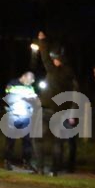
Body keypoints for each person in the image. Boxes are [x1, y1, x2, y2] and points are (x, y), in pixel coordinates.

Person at [33, 31, 80, 176]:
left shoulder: (54, 72)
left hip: (48, 111)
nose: (53, 61)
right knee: (57, 143)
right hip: (62, 113)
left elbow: (45, 58)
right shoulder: (70, 75)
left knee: (37, 139)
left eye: (55, 59)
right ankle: (54, 170)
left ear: (59, 60)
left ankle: (40, 168)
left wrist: (42, 41)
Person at [2, 71, 37, 169]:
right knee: (10, 140)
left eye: (32, 82)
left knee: (27, 141)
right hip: (13, 115)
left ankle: (27, 162)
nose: (30, 83)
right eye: (30, 81)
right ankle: (7, 161)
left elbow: (33, 98)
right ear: (24, 77)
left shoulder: (30, 87)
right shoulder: (12, 83)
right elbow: (8, 95)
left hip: (26, 116)